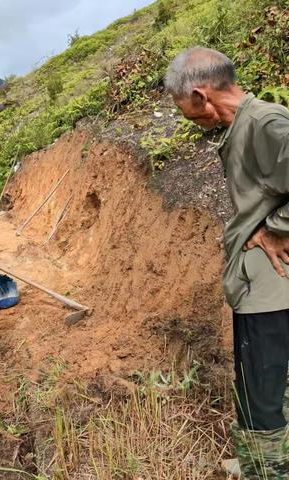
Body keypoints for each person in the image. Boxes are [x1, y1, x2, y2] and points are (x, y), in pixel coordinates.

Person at [165, 47, 289, 478]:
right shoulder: (246, 125)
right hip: (261, 285)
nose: (198, 125)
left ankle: (267, 470)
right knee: (262, 388)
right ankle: (259, 461)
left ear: (201, 94)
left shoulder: (265, 123)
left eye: (193, 116)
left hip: (272, 290)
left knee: (264, 394)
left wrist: (276, 228)